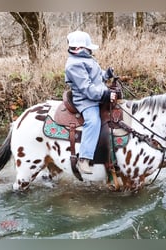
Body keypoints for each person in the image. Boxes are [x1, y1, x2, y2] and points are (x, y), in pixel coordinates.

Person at [65, 30, 116, 175]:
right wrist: (105, 94)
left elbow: (98, 77)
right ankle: (84, 159)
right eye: (87, 48)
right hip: (86, 101)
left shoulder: (88, 59)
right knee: (93, 121)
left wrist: (107, 74)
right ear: (79, 48)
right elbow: (87, 88)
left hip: (97, 95)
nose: (89, 50)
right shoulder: (73, 65)